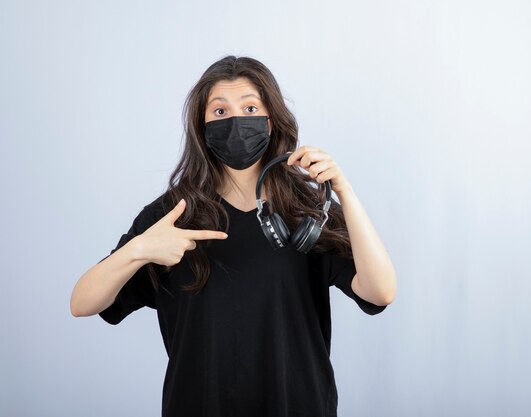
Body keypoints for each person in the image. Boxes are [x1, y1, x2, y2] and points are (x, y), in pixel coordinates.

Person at [70, 55, 397, 417]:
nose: (237, 121)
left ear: (271, 121)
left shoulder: (308, 213)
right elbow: (82, 303)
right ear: (203, 125)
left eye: (250, 107)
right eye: (220, 112)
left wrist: (343, 191)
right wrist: (138, 250)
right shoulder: (170, 216)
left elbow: (381, 292)